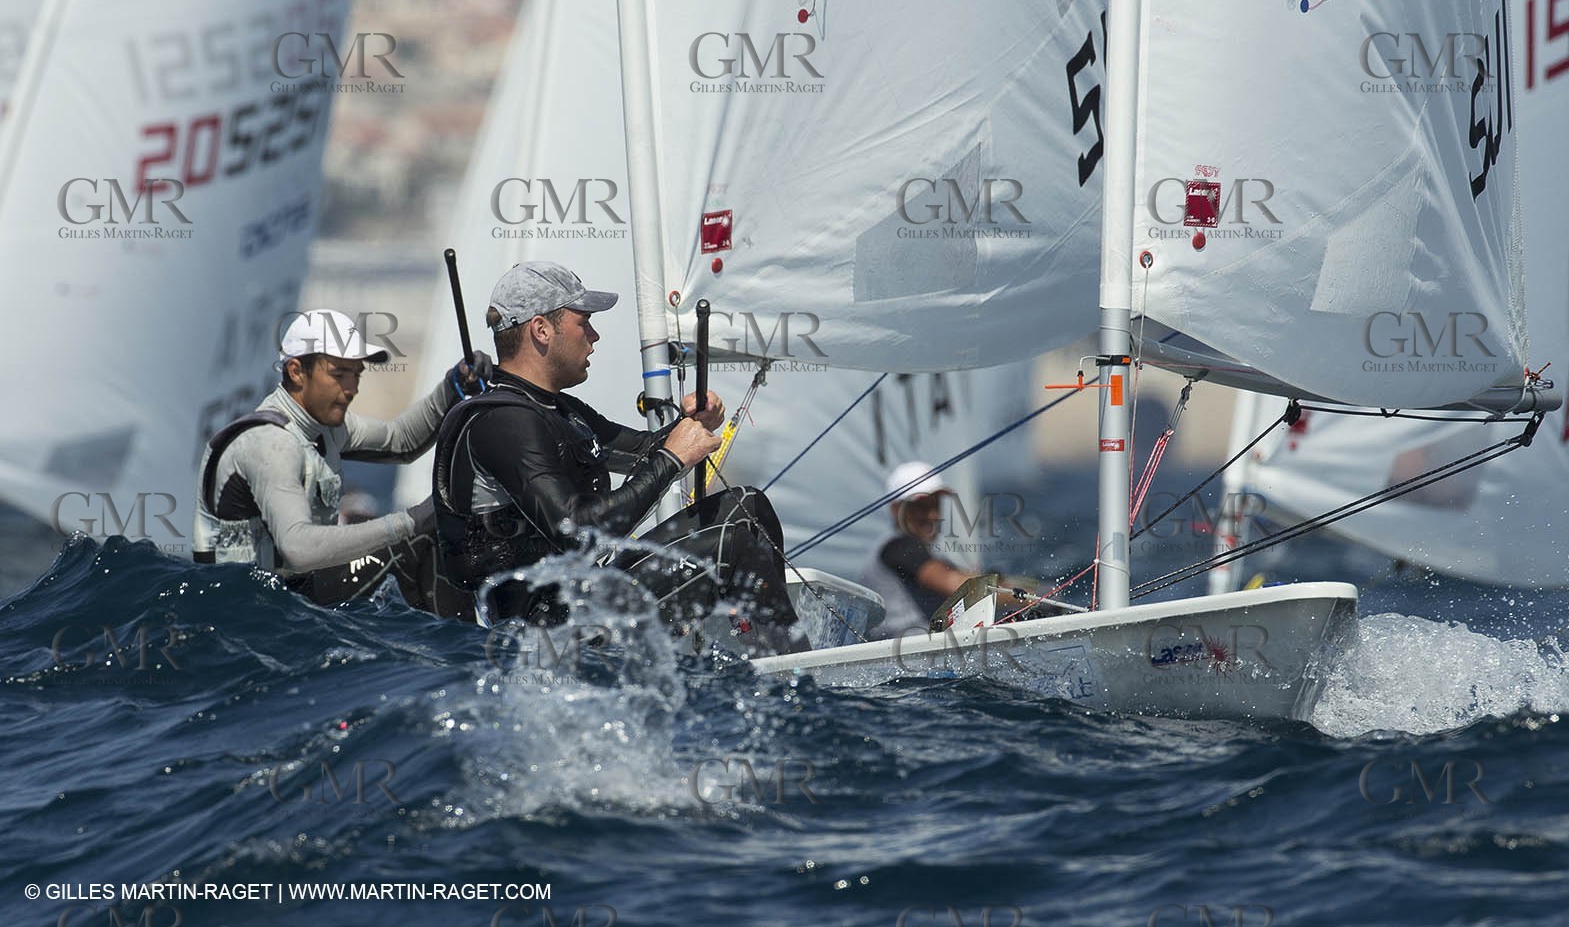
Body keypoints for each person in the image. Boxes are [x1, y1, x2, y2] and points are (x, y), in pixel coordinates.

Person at [430, 260, 805, 653]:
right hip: (549, 631)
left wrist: (691, 424)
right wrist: (673, 459)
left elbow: (645, 451)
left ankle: (771, 650)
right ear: (541, 330)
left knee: (746, 506)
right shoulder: (503, 421)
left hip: (589, 592)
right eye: (584, 322)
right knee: (735, 543)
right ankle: (792, 678)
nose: (594, 337)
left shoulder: (558, 409)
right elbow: (575, 529)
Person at [193, 308, 491, 610]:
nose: (352, 389)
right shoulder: (271, 444)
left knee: (426, 538)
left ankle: (460, 645)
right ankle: (463, 651)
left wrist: (453, 386)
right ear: (296, 371)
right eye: (339, 374)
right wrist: (410, 520)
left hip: (288, 596)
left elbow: (401, 442)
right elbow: (298, 549)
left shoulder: (326, 427)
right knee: (414, 543)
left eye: (356, 374)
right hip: (245, 609)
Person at [861, 461, 988, 638]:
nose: (932, 515)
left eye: (935, 504)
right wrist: (1027, 595)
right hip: (904, 658)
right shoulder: (898, 547)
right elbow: (963, 587)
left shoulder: (936, 553)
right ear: (896, 509)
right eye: (921, 506)